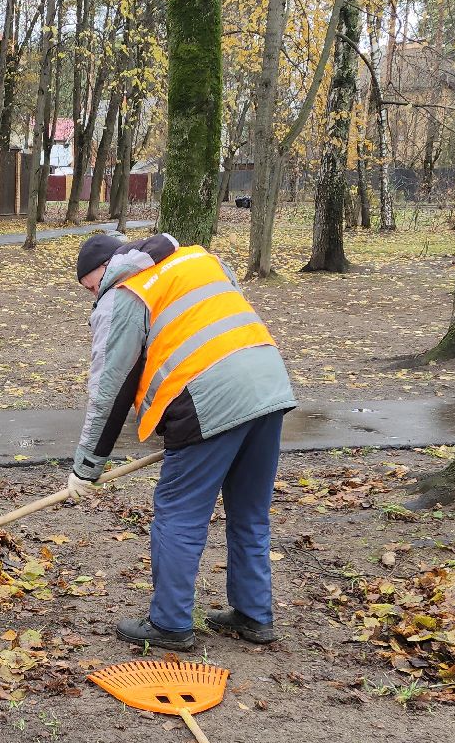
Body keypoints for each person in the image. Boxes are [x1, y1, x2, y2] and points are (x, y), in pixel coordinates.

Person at [68, 231, 297, 651]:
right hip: (267, 383)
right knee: (250, 512)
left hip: (206, 396)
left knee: (178, 514)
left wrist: (86, 467)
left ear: (105, 268)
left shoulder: (125, 291)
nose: (93, 295)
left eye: (90, 286)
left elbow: (110, 388)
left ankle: (170, 624)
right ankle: (253, 615)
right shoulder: (196, 260)